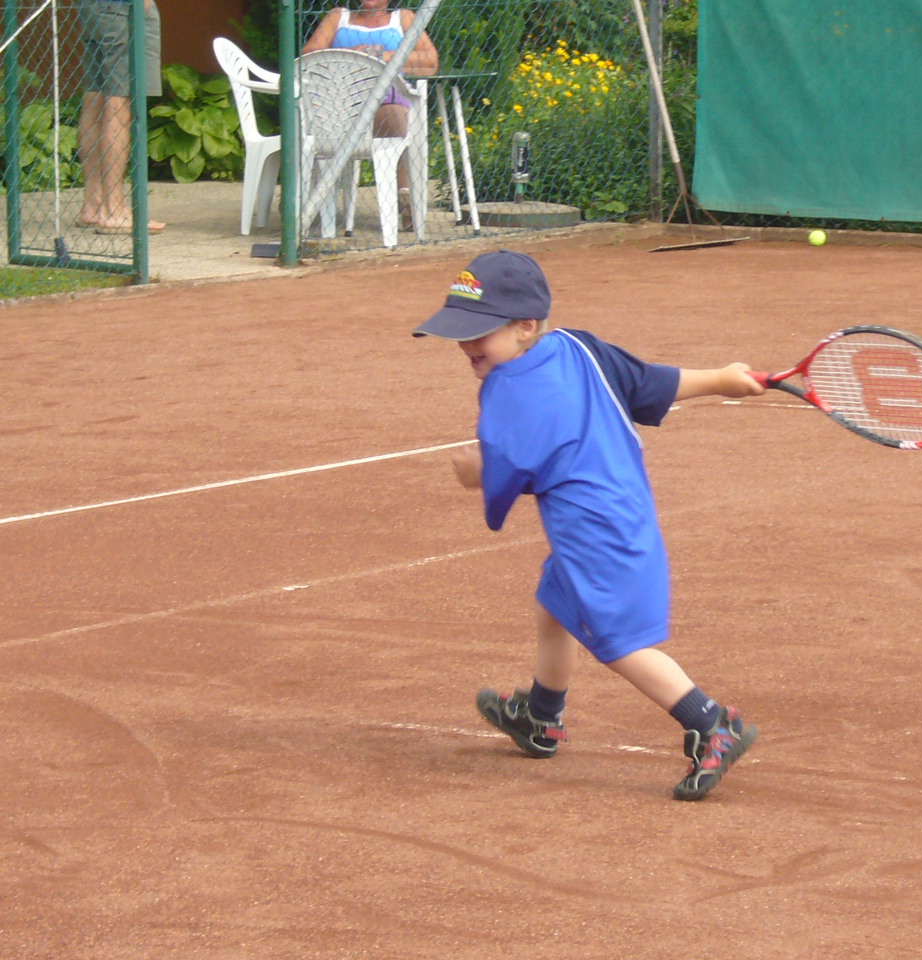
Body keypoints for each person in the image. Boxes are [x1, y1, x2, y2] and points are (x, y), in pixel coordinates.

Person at [412, 250, 766, 801]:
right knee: (555, 606)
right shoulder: (579, 348)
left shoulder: (508, 389)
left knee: (619, 644)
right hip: (623, 514)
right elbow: (649, 383)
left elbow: (512, 466)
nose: (464, 344)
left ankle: (712, 722)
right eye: (460, 330)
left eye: (478, 331)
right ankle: (541, 716)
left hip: (594, 533)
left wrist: (474, 472)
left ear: (525, 326)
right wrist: (720, 379)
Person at [302, 1, 440, 225]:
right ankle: (310, 195)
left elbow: (430, 61)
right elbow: (309, 56)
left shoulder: (402, 18)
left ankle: (405, 196)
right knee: (318, 115)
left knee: (396, 113)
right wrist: (352, 53)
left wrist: (378, 54)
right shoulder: (338, 17)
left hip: (385, 100)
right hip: (339, 104)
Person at [77, 0, 165, 234]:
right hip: (124, 8)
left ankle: (93, 204)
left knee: (96, 96)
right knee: (121, 100)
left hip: (95, 7)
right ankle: (113, 210)